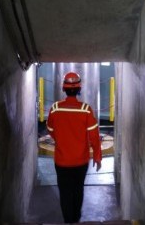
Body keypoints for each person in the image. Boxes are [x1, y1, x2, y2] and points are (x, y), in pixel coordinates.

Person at [46, 71, 102, 223]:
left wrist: (61, 139)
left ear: (64, 89)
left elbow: (50, 129)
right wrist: (97, 157)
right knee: (78, 190)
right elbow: (95, 137)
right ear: (79, 89)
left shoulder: (55, 108)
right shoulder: (86, 109)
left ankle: (68, 220)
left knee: (64, 192)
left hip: (61, 161)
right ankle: (76, 219)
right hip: (81, 162)